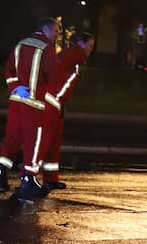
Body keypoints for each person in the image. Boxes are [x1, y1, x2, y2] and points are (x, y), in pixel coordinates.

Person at [0, 18, 62, 199]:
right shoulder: (47, 48)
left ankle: (0, 171)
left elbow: (9, 70)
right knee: (33, 141)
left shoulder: (20, 44)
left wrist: (15, 87)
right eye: (55, 31)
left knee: (12, 137)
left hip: (17, 100)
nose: (57, 35)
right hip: (34, 104)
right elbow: (54, 74)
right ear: (45, 30)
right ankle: (28, 180)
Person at [38, 31, 95, 191]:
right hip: (53, 102)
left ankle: (51, 178)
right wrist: (56, 99)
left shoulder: (71, 56)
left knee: (53, 142)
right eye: (89, 45)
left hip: (56, 102)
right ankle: (29, 177)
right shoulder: (72, 57)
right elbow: (58, 78)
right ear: (81, 44)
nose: (91, 49)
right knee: (46, 141)